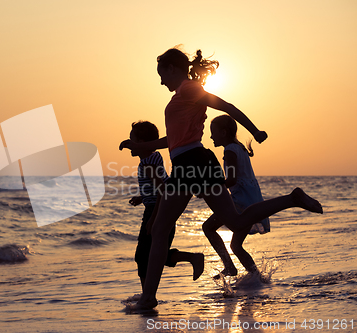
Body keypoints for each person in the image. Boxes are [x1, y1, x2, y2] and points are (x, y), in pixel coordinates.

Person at [119, 47, 323, 311]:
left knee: (158, 230)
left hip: (190, 165)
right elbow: (173, 140)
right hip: (196, 161)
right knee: (235, 221)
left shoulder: (188, 89)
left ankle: (148, 298)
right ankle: (292, 198)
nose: (161, 82)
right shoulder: (185, 94)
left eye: (162, 74)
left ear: (172, 68)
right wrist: (144, 144)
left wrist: (255, 130)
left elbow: (226, 106)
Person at [128, 121, 204, 299]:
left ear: (142, 142)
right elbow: (164, 183)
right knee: (154, 253)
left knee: (144, 255)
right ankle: (147, 294)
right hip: (160, 207)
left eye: (132, 139)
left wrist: (153, 218)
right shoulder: (152, 159)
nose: (129, 143)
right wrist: (143, 197)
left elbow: (162, 190)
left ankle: (147, 296)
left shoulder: (147, 165)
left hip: (157, 210)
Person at [203, 115, 270, 279]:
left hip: (241, 202)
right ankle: (257, 277)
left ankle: (231, 268)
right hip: (250, 199)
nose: (211, 136)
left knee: (208, 228)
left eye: (213, 132)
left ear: (224, 132)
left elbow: (231, 179)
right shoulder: (238, 148)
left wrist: (210, 188)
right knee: (236, 245)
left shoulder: (230, 150)